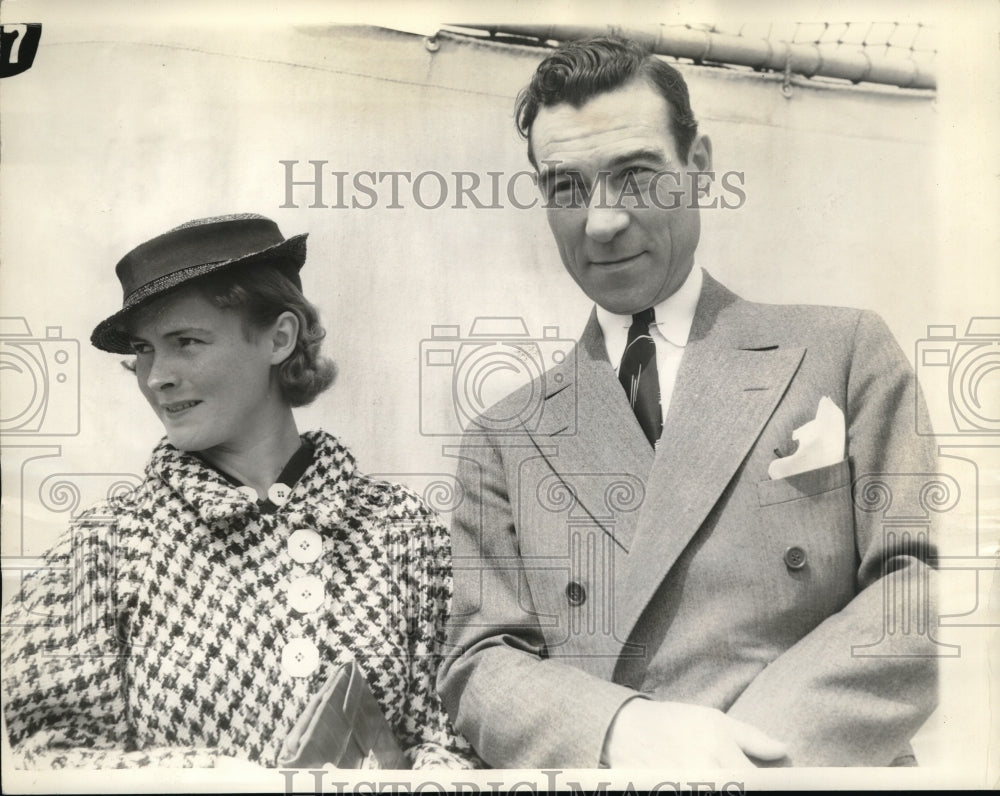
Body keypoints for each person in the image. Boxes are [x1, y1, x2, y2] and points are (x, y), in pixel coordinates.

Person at [437, 36, 938, 768]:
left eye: (634, 175)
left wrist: (743, 758)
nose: (600, 223)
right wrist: (623, 731)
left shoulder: (844, 353)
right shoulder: (505, 436)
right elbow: (479, 663)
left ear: (697, 167)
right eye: (566, 187)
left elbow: (922, 590)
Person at [1, 213, 478, 769]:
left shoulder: (402, 531)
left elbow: (456, 743)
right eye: (144, 349)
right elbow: (44, 761)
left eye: (185, 342)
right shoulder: (103, 549)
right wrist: (216, 779)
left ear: (279, 338)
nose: (156, 377)